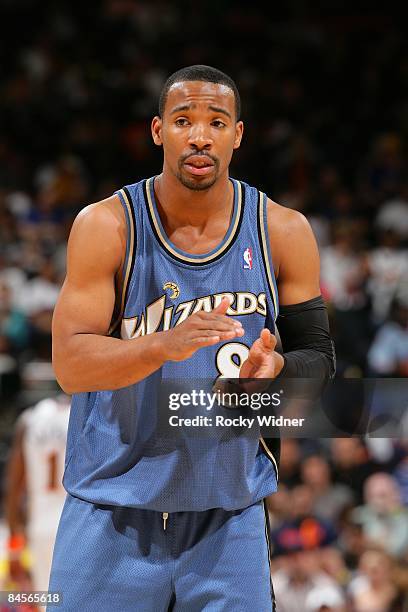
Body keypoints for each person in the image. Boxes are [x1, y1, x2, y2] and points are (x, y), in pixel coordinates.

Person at [48, 65, 334, 611]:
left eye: (216, 122)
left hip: (228, 518)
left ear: (238, 135)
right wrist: (164, 344)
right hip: (110, 511)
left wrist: (278, 375)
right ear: (159, 131)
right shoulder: (107, 226)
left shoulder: (283, 230)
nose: (200, 135)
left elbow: (319, 360)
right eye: (184, 120)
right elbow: (71, 364)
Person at [4, 394, 71, 597]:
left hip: (40, 526)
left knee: (49, 602)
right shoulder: (87, 415)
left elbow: (15, 488)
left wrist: (14, 549)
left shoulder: (30, 418)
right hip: (75, 524)